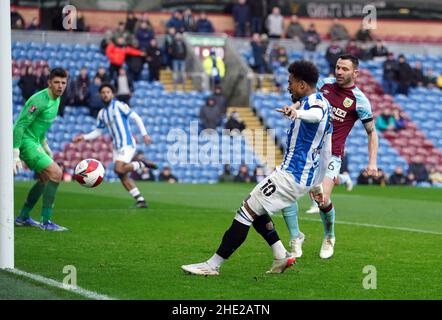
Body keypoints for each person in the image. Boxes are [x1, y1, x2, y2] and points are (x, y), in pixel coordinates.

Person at [181, 60, 332, 276]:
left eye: (290, 82)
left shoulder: (314, 106)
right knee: (256, 206)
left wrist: (297, 113)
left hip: (291, 176)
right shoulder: (323, 103)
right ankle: (281, 256)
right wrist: (317, 183)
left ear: (301, 85)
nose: (287, 87)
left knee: (245, 212)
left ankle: (212, 265)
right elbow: (326, 149)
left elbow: (314, 115)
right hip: (299, 177)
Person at [284, 54, 378, 259]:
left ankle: (329, 236)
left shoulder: (360, 101)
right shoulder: (325, 85)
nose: (339, 72)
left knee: (322, 199)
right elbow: (309, 101)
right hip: (308, 150)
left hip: (332, 154)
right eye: (337, 67)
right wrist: (294, 108)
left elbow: (372, 132)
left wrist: (372, 162)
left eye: (344, 69)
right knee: (287, 191)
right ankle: (295, 236)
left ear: (355, 73)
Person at [72, 83, 154, 208]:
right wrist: (84, 137)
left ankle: (142, 164)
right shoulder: (102, 113)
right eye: (103, 92)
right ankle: (140, 200)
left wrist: (145, 134)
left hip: (127, 143)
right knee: (121, 174)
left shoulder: (119, 105)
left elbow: (136, 117)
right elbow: (98, 131)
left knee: (118, 169)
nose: (105, 94)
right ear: (100, 95)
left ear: (112, 93)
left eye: (108, 92)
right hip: (116, 147)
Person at [13, 68, 69, 231]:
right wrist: (15, 153)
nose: (60, 86)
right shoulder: (39, 100)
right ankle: (46, 222)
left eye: (63, 83)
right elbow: (20, 125)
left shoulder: (57, 99)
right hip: (25, 141)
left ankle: (23, 217)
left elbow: (42, 125)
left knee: (45, 179)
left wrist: (45, 146)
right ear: (49, 83)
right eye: (56, 82)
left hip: (35, 141)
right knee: (56, 173)